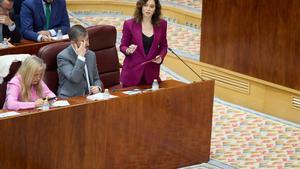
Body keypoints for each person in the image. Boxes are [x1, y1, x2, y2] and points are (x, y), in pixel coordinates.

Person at [119, 0, 168, 87]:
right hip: (132, 73)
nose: (148, 9)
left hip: (151, 73)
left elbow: (164, 46)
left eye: (152, 6)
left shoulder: (162, 24)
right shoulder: (129, 24)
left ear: (155, 9)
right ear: (140, 6)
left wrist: (161, 56)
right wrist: (127, 50)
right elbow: (123, 46)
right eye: (145, 5)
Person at [57, 24, 103, 98]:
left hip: (90, 97)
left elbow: (96, 79)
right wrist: (80, 57)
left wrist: (98, 87)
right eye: (83, 41)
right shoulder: (63, 57)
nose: (87, 44)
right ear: (73, 43)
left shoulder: (91, 55)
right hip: (71, 99)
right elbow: (75, 78)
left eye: (87, 39)